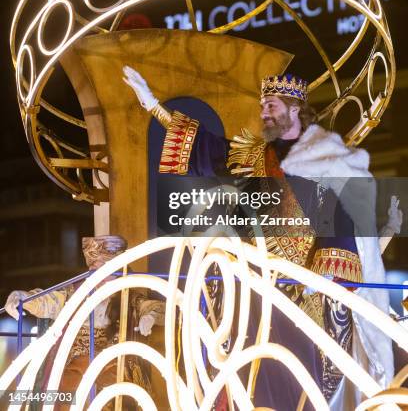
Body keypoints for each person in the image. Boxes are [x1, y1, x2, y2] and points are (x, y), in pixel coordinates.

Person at [123, 65, 402, 410]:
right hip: (253, 288)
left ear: (294, 109)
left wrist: (322, 275)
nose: (264, 113)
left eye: (271, 106)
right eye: (262, 107)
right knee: (247, 372)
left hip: (304, 294)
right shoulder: (251, 156)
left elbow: (345, 217)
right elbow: (204, 148)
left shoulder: (327, 159)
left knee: (301, 379)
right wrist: (153, 107)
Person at [5, 235, 165, 408]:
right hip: (75, 367)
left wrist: (150, 316)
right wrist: (22, 297)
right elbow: (47, 300)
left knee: (113, 395)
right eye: (94, 268)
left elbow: (156, 307)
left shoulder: (129, 298)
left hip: (113, 367)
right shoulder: (74, 295)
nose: (100, 276)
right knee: (64, 392)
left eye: (106, 269)